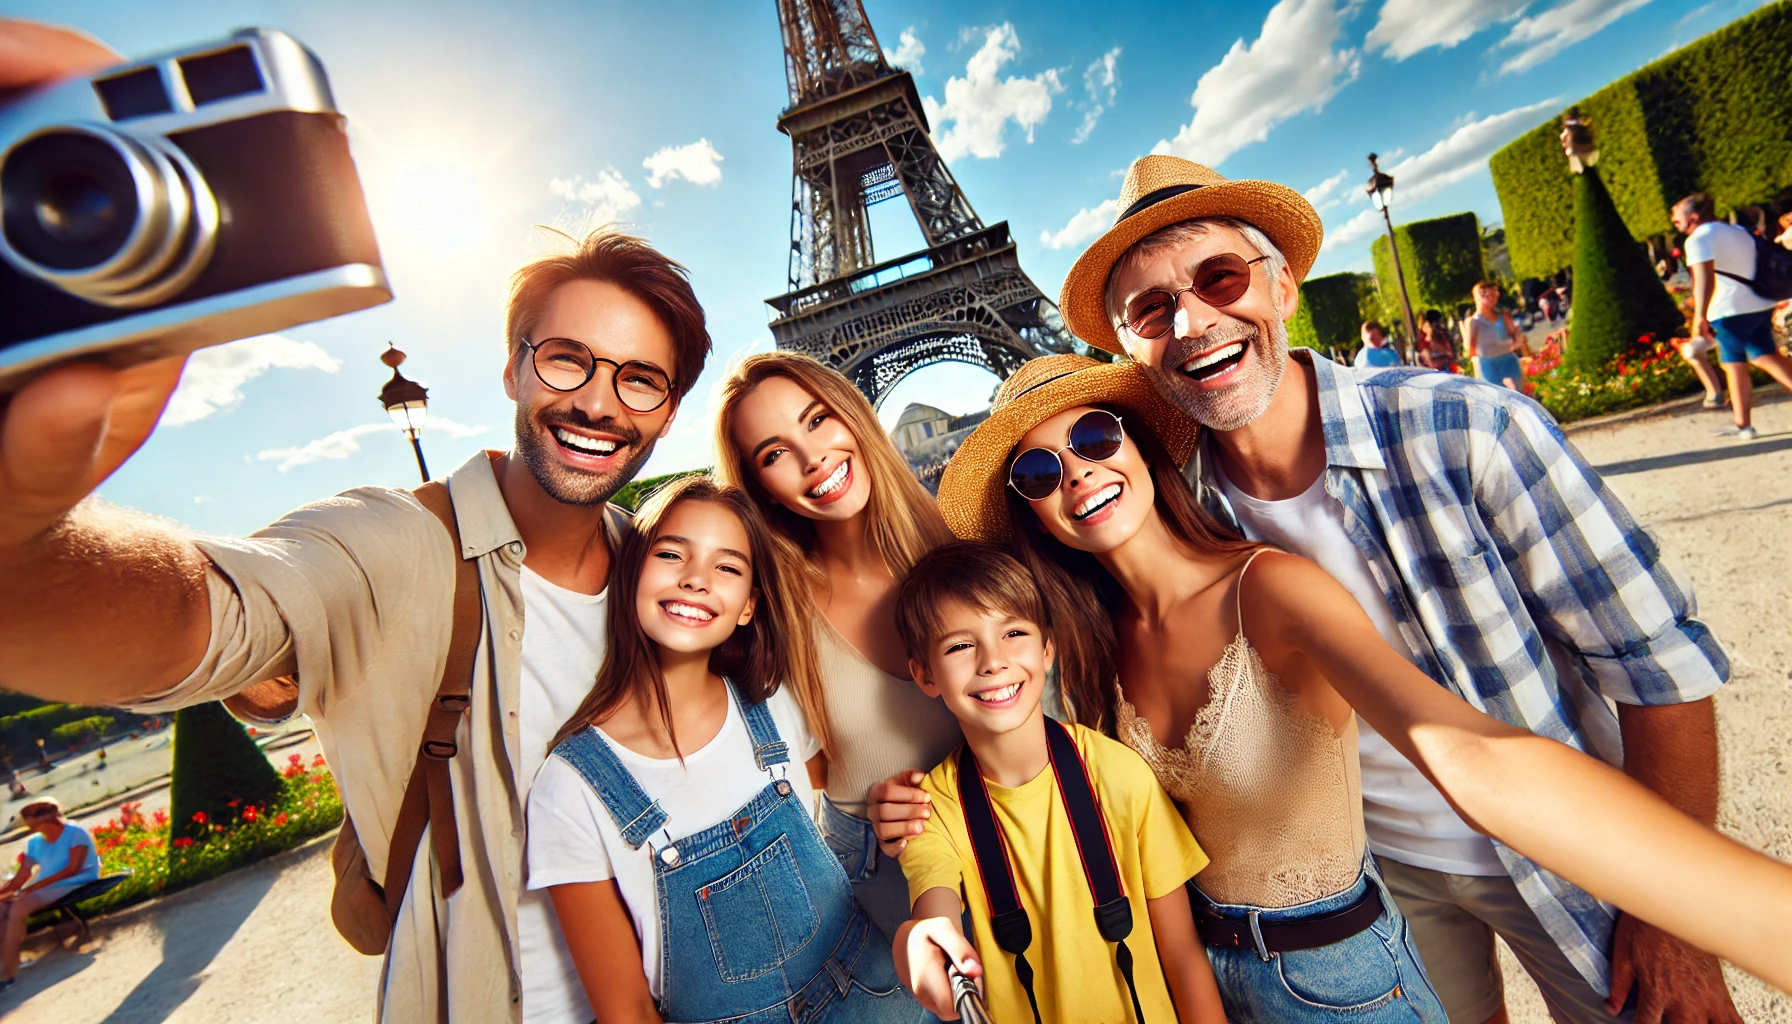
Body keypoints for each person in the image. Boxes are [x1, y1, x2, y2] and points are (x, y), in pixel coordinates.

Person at [945, 153, 1745, 1024]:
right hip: (1372, 887)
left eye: (1219, 277)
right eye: (1152, 308)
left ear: (1283, 284)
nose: (1195, 320)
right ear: (1133, 348)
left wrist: (1681, 913)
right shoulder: (1163, 516)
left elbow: (1657, 665)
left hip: (1569, 852)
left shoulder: (1471, 429)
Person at [0, 71, 712, 1014]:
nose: (596, 401)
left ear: (667, 415)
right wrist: (16, 530)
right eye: (568, 358)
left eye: (639, 381)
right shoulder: (392, 544)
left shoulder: (657, 577)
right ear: (512, 365)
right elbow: (200, 615)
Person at [931, 356, 1449, 1022]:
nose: (1079, 472)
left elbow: (1443, 735)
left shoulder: (1270, 589)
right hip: (1195, 975)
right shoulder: (1091, 650)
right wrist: (907, 800)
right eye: (1039, 473)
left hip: (1338, 973)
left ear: (1141, 449)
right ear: (1035, 516)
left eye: (1093, 439)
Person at [528, 475, 923, 1023]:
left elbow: (831, 830)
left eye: (728, 567)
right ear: (632, 575)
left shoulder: (776, 705)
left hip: (885, 1002)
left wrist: (895, 808)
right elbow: (627, 1013)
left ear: (746, 607)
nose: (696, 580)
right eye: (672, 554)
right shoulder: (569, 788)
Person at [890, 541, 1224, 1024]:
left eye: (1014, 633)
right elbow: (933, 913)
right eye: (960, 645)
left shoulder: (1119, 774)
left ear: (1048, 649)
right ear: (925, 675)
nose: (993, 661)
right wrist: (917, 941)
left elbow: (1183, 955)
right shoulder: (935, 807)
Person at [715, 352, 962, 941]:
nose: (812, 457)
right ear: (762, 490)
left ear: (853, 416)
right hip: (881, 885)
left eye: (818, 419)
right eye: (774, 454)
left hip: (1018, 841)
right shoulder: (774, 609)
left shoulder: (968, 543)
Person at [1673, 192, 1792, 441]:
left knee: (1733, 364)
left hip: (1728, 310)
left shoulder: (1699, 239)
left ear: (1693, 217)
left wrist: (1699, 317)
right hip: (1758, 302)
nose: (1674, 222)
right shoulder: (1736, 230)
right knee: (1764, 356)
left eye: (1677, 217)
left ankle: (1743, 425)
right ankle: (1742, 424)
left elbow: (1704, 280)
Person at [0, 799, 100, 992]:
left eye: (30, 820)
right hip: (43, 887)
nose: (28, 824)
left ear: (46, 818)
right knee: (2, 909)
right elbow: (20, 878)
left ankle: (7, 975)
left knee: (18, 908)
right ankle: (10, 960)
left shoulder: (75, 833)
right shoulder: (34, 843)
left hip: (76, 882)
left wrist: (31, 888)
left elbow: (72, 870)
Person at [1461, 281, 1527, 390]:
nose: (1494, 299)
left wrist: (1515, 344)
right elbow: (1471, 349)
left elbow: (1517, 336)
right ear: (1478, 298)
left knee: (1519, 396)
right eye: (1489, 295)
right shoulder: (1474, 321)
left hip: (1508, 360)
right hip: (1489, 365)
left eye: (1495, 294)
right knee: (1497, 397)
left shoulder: (1504, 316)